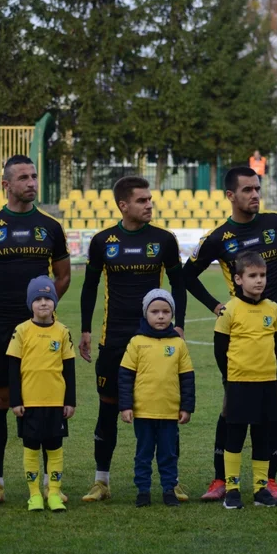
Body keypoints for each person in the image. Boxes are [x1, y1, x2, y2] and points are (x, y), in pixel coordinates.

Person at [184, 166, 277, 501]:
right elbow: (186, 275)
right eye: (247, 190)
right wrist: (216, 306)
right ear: (231, 195)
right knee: (233, 403)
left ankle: (268, 480)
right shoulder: (218, 238)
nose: (255, 195)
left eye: (257, 189)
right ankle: (220, 480)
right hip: (243, 334)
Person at [0, 155, 70, 507]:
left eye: (34, 176)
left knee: (44, 401)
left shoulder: (51, 227)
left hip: (42, 329)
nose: (31, 183)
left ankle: (48, 482)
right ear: (6, 184)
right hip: (0, 327)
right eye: (24, 177)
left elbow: (64, 276)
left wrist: (44, 311)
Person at [79, 176, 186, 503]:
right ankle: (101, 481)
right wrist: (85, 329)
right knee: (107, 408)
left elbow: (178, 285)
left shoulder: (164, 240)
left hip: (156, 341)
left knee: (165, 410)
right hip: (114, 339)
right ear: (123, 205)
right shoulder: (102, 241)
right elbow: (90, 287)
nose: (149, 205)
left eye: (150, 199)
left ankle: (172, 482)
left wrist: (179, 325)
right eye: (142, 200)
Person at [213, 251, 277, 510]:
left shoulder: (273, 309)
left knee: (262, 436)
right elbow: (220, 349)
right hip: (239, 382)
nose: (259, 281)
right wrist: (232, 375)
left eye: (262, 275)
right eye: (252, 276)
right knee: (235, 435)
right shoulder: (229, 310)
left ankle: (260, 489)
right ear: (238, 279)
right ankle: (232, 489)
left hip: (266, 382)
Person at [117, 290, 195, 507]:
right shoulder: (136, 342)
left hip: (169, 412)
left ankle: (169, 489)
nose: (160, 316)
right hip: (143, 412)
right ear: (145, 314)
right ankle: (143, 491)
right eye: (155, 311)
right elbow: (125, 376)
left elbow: (187, 378)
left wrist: (186, 407)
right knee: (143, 454)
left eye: (165, 312)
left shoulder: (178, 344)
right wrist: (126, 406)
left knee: (168, 454)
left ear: (172, 314)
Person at [8, 276, 76, 512]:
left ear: (55, 302)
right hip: (29, 403)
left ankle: (54, 493)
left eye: (48, 298)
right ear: (30, 303)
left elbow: (69, 369)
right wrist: (15, 401)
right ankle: (34, 494)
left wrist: (70, 401)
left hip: (56, 403)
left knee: (55, 447)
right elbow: (13, 368)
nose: (43, 303)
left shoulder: (63, 332)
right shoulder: (22, 330)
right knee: (31, 448)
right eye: (38, 299)